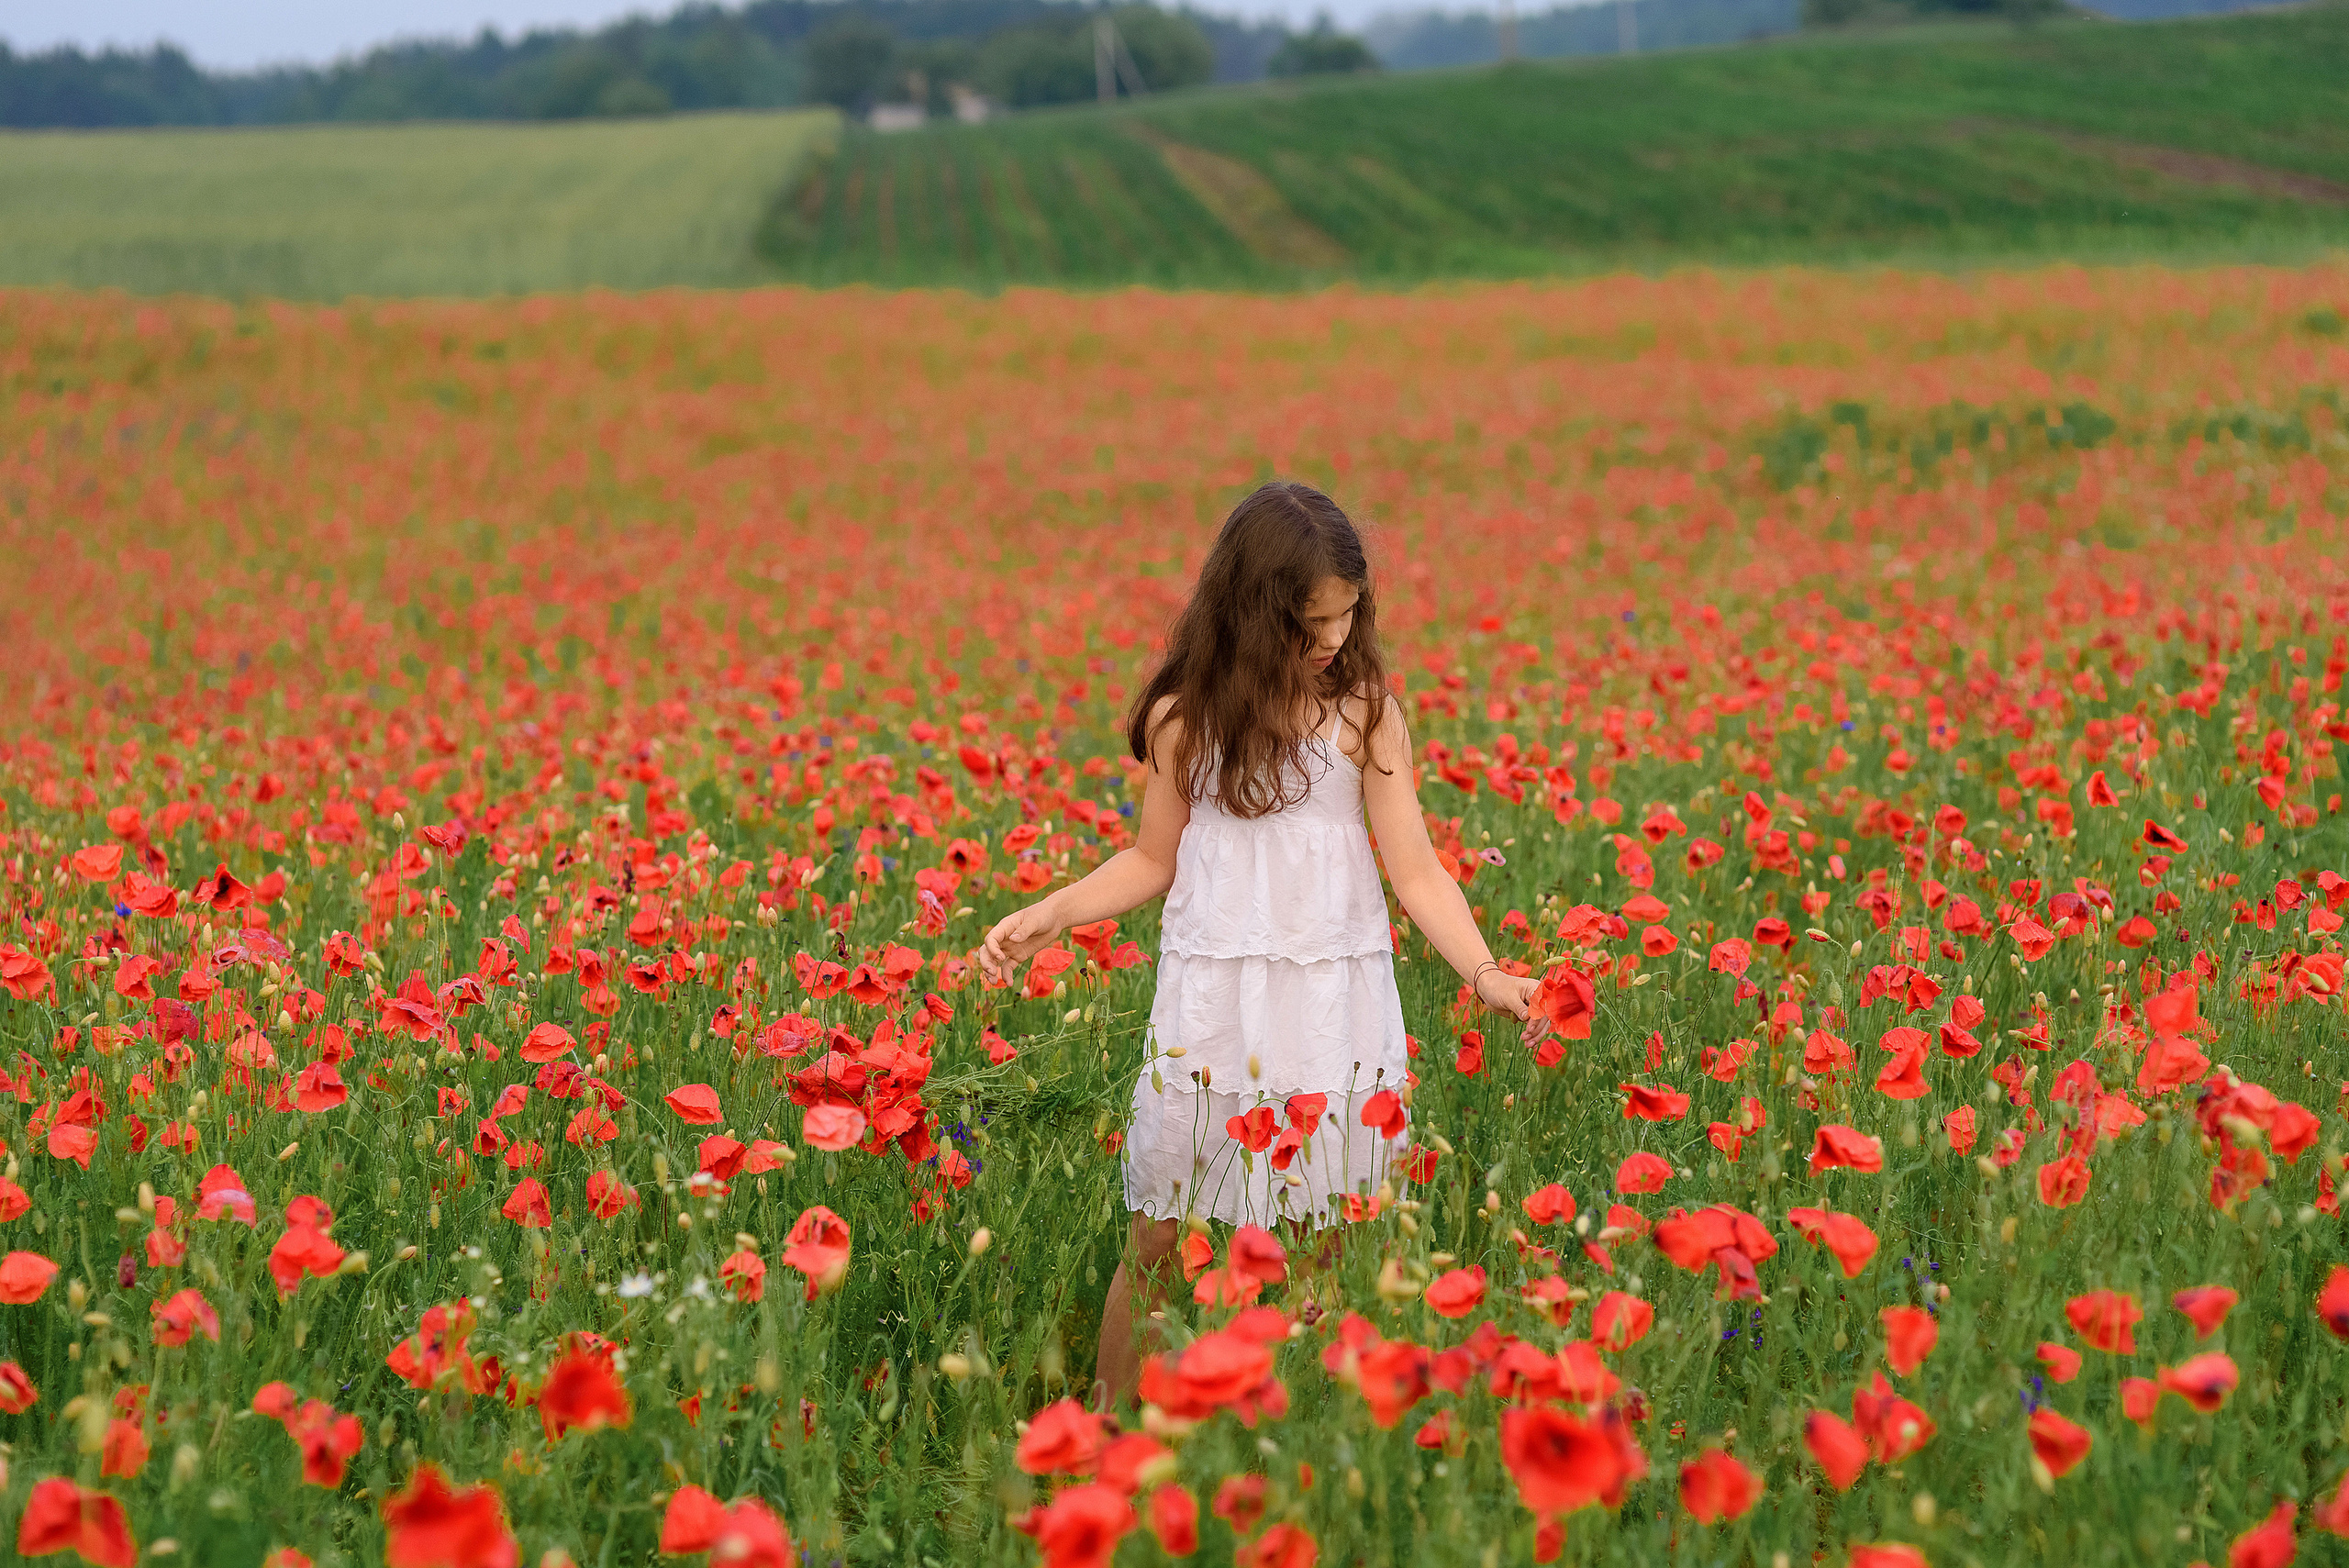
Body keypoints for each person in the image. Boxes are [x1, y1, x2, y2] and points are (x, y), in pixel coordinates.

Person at [976, 480, 1540, 1410]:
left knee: (1329, 1238)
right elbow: (1150, 857)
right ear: (1250, 611)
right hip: (1213, 1000)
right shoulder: (1184, 718)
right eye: (1308, 622)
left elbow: (1416, 868)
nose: (1329, 639)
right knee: (1160, 1233)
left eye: (1344, 616)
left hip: (1330, 1002)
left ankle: (1302, 1438)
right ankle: (1111, 1434)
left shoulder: (1363, 713)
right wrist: (1057, 910)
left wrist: (1484, 972)